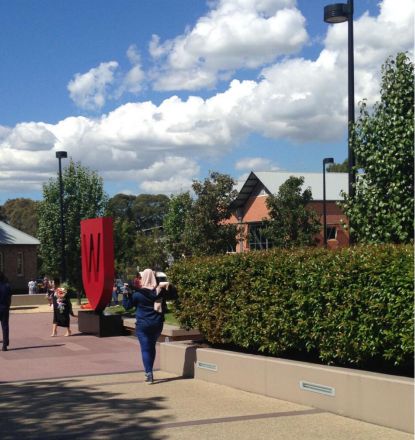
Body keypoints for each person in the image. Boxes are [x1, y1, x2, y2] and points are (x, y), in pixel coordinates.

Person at [123, 268, 169, 384]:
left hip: (143, 324)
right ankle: (149, 371)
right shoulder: (160, 291)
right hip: (157, 323)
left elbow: (127, 306)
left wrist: (125, 293)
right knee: (151, 346)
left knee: (145, 348)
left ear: (144, 278)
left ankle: (149, 373)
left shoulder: (138, 294)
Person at [0, 272, 12, 351]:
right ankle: (5, 344)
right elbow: (9, 298)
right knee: (5, 326)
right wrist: (8, 306)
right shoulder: (7, 286)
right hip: (4, 307)